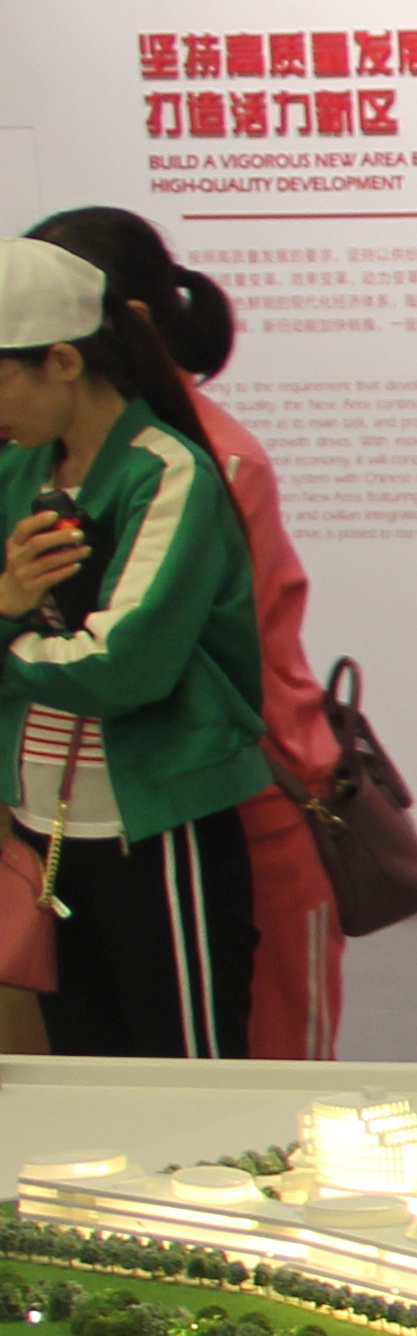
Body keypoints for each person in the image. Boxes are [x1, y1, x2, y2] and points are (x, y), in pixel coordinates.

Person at [30, 210, 338, 1059]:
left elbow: (131, 661)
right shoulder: (45, 458)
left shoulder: (197, 464)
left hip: (229, 794)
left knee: (251, 1075)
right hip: (91, 809)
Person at [0, 236, 268, 1054]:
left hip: (152, 826)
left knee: (185, 1071)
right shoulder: (17, 470)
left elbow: (122, 669)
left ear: (63, 361)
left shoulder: (168, 471)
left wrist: (5, 627)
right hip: (40, 827)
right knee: (91, 1076)